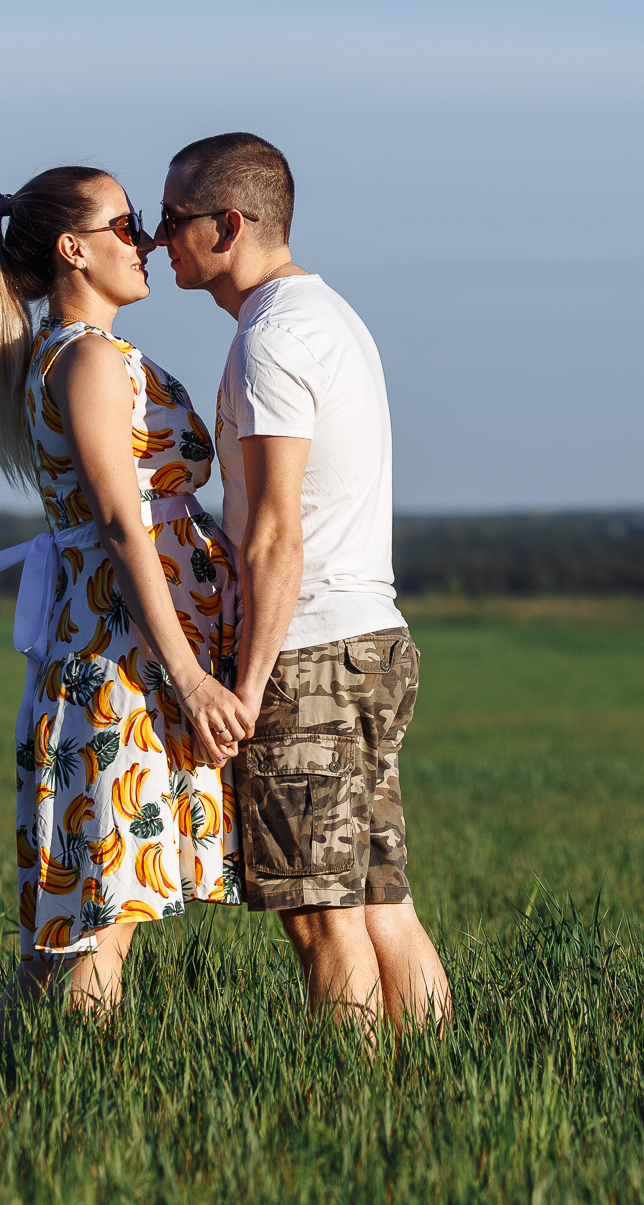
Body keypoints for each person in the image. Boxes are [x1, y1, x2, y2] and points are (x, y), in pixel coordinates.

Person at [155, 132, 450, 1031]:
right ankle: (440, 1089)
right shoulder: (329, 319)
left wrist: (244, 687)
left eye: (171, 220)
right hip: (371, 638)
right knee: (378, 900)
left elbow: (278, 531)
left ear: (229, 224)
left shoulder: (272, 342)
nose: (155, 238)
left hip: (309, 652)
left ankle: (348, 1125)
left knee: (322, 920)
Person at [0, 165, 256, 1018]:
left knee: (83, 918)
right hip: (123, 661)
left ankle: (8, 1095)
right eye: (127, 226)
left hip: (116, 648)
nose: (149, 242)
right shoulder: (84, 359)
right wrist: (191, 679)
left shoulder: (79, 353)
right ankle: (72, 1121)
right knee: (105, 912)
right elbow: (125, 527)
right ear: (73, 249)